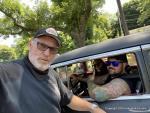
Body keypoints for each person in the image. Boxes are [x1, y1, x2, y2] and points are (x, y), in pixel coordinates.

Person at [0, 27, 106, 113]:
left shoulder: (52, 75)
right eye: (42, 45)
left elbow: (69, 99)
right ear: (30, 44)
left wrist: (93, 108)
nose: (47, 53)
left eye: (53, 49)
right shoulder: (5, 72)